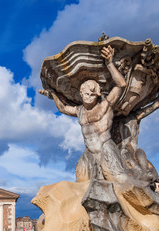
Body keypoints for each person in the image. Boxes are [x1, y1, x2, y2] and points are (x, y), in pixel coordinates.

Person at [39, 45, 128, 183]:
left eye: (91, 92)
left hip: (105, 148)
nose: (87, 96)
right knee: (81, 179)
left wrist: (110, 64)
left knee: (120, 182)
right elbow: (63, 108)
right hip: (89, 152)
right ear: (81, 94)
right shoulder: (79, 110)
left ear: (97, 93)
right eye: (84, 93)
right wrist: (53, 94)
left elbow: (121, 85)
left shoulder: (105, 105)